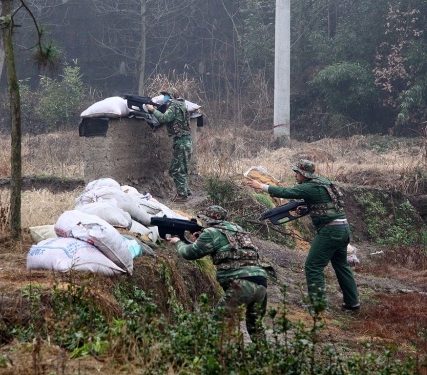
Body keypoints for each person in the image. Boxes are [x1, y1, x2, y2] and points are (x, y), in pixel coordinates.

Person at [247, 159, 360, 311]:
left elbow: (286, 193)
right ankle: (352, 303)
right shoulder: (324, 182)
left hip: (330, 231)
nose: (295, 175)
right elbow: (325, 204)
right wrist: (308, 207)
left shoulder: (309, 187)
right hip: (343, 229)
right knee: (341, 265)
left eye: (297, 172)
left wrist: (262, 186)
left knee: (313, 267)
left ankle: (318, 307)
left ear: (304, 174)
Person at [167, 205, 268, 342]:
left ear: (207, 220)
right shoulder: (238, 230)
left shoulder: (210, 232)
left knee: (217, 326)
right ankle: (264, 358)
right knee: (256, 327)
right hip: (261, 282)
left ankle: (218, 359)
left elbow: (188, 253)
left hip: (242, 285)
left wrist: (178, 242)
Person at [146, 87, 192, 202]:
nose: (164, 97)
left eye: (166, 95)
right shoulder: (181, 105)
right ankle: (185, 191)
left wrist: (152, 110)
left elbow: (164, 118)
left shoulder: (173, 105)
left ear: (171, 96)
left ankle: (182, 196)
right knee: (178, 168)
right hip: (185, 140)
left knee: (177, 169)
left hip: (181, 141)